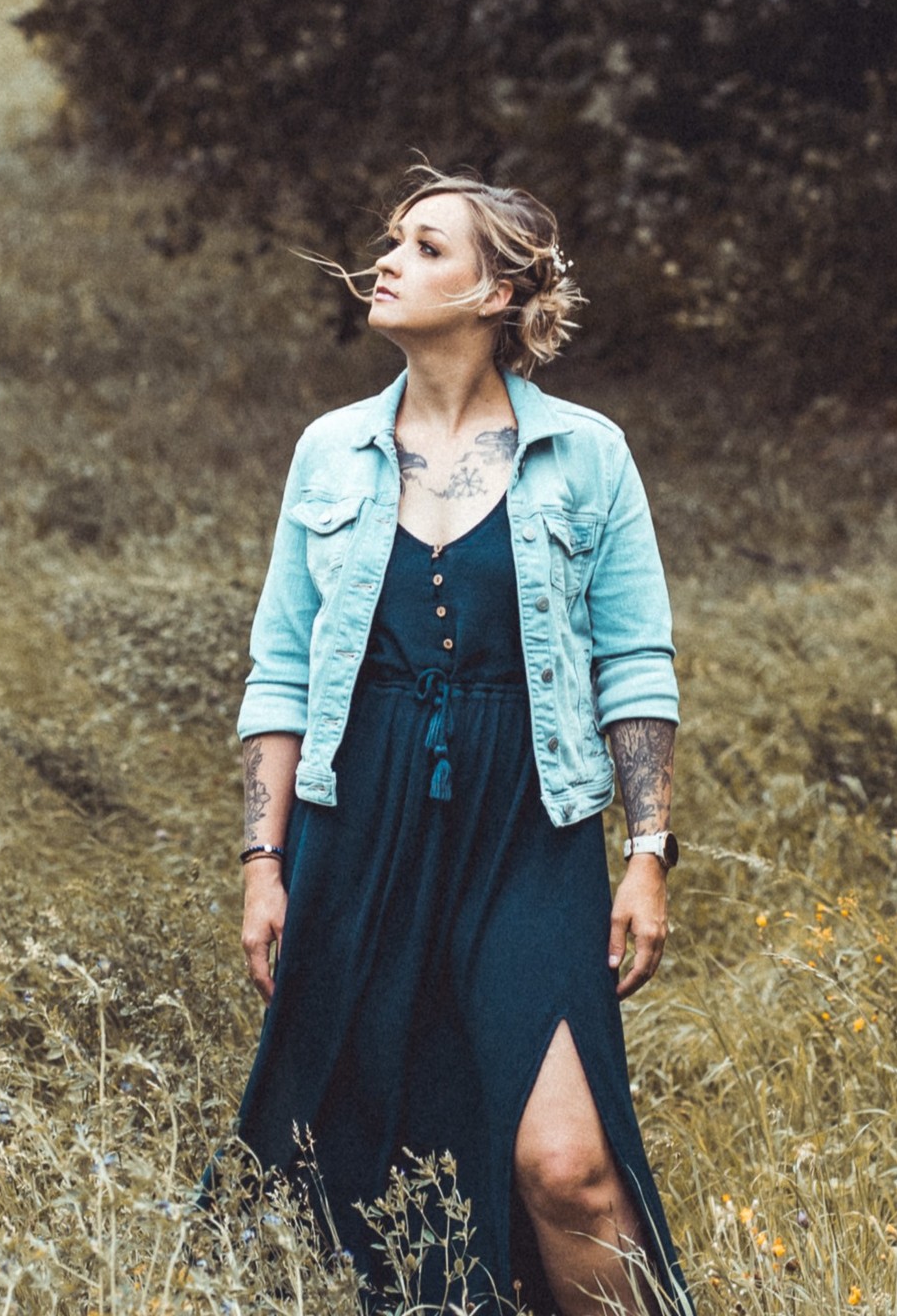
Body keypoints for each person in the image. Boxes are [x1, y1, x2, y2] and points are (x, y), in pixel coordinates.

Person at [231, 164, 691, 1314]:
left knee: (568, 1168)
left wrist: (647, 850)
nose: (387, 260)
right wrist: (262, 862)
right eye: (393, 240)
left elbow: (632, 660)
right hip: (361, 821)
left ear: (500, 291)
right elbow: (280, 673)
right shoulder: (328, 452)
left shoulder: (586, 452)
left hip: (528, 826)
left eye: (427, 246)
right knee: (380, 1163)